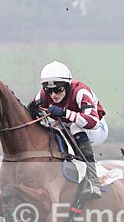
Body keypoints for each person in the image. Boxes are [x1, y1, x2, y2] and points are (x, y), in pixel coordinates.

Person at [30, 61, 108, 200]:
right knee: (50, 131)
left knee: (75, 127)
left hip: (96, 129)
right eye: (49, 91)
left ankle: (93, 180)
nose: (53, 95)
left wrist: (65, 113)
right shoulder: (43, 95)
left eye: (58, 90)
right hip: (66, 126)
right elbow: (29, 111)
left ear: (67, 86)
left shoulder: (80, 92)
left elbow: (93, 122)